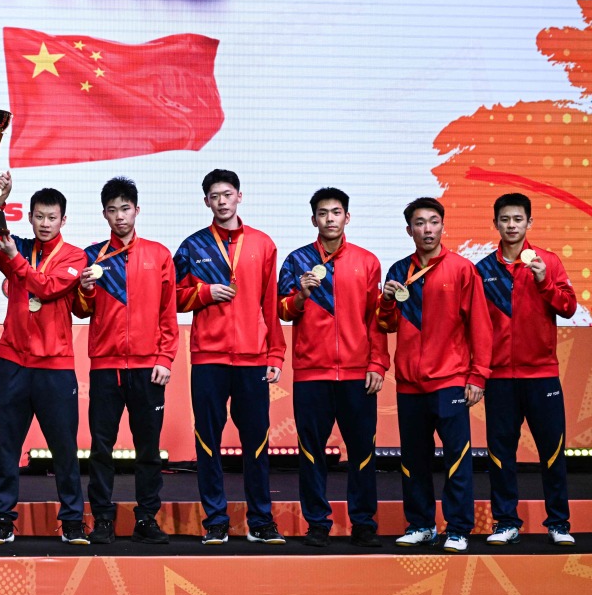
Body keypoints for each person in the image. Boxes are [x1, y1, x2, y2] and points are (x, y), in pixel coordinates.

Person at [174, 169, 286, 545]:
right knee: (208, 441)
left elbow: (270, 303)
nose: (222, 201)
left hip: (254, 357)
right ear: (206, 201)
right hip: (209, 358)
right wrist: (203, 293)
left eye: (227, 194)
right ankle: (216, 522)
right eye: (214, 196)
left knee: (256, 441)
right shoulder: (193, 246)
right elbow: (170, 297)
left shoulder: (263, 244)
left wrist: (276, 352)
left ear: (240, 196)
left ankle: (260, 520)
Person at [378, 197, 492, 553]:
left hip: (450, 381)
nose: (427, 229)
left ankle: (457, 528)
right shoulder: (398, 271)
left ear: (443, 226)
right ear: (409, 229)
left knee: (456, 458)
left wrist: (478, 376)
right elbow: (387, 324)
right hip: (411, 383)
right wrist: (385, 303)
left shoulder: (461, 269)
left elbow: (480, 327)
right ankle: (422, 524)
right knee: (413, 460)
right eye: (419, 223)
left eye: (433, 222)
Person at [277, 187, 389, 548]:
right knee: (311, 452)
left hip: (358, 374)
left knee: (362, 452)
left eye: (336, 212)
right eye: (323, 213)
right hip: (313, 373)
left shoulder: (368, 262)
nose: (330, 219)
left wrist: (377, 363)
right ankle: (317, 524)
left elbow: (377, 320)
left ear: (347, 218)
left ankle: (363, 523)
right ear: (313, 220)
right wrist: (300, 295)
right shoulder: (296, 262)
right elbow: (280, 311)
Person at [73, 177, 177, 545]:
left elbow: (169, 312)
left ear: (137, 209)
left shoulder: (159, 255)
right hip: (106, 366)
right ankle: (102, 518)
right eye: (112, 210)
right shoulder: (92, 255)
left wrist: (165, 358)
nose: (120, 216)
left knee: (148, 449)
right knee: (102, 448)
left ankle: (146, 517)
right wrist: (84, 290)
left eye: (125, 208)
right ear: (104, 214)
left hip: (149, 367)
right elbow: (81, 310)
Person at [0, 186, 89, 544]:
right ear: (29, 216)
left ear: (63, 219)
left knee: (64, 449)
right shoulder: (18, 247)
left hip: (55, 367)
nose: (45, 223)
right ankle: (2, 520)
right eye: (39, 216)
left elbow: (45, 287)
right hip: (13, 361)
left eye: (52, 217)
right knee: (6, 448)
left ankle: (72, 521)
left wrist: (15, 261)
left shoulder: (75, 256)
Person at [476, 193, 577, 546]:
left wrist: (544, 281)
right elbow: (475, 325)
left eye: (518, 219)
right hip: (500, 379)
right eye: (504, 219)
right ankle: (506, 522)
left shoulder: (548, 262)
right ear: (496, 224)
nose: (511, 225)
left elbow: (568, 307)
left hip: (542, 376)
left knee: (552, 451)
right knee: (501, 454)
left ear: (529, 223)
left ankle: (559, 524)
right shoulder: (483, 270)